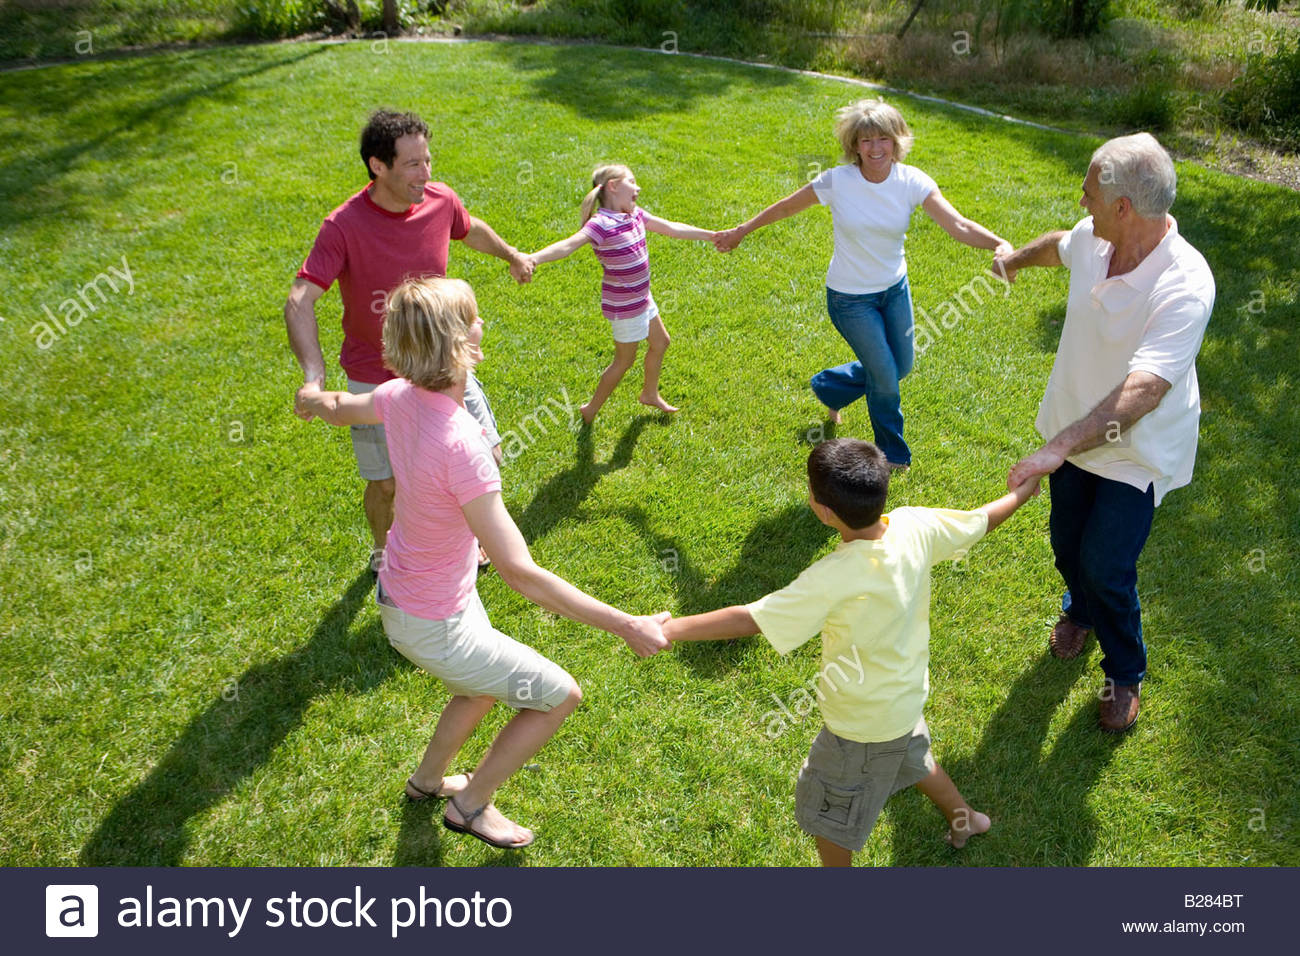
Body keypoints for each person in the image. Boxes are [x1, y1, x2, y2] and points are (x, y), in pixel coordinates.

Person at [296, 276, 669, 849]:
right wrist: (627, 625)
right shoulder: (463, 445)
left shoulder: (398, 395)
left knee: (479, 687)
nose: (482, 325)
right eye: (473, 319)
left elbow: (346, 407)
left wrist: (315, 400)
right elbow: (519, 572)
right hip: (434, 620)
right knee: (559, 696)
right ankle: (471, 806)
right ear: (456, 346)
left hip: (410, 594)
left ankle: (426, 783)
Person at [664, 438, 1041, 866]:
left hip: (860, 727)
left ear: (823, 510)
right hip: (903, 700)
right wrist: (1021, 492)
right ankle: (965, 819)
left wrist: (669, 629)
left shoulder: (832, 577)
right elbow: (980, 521)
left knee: (828, 815)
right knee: (912, 758)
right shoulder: (914, 525)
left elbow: (751, 618)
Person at [996, 132, 1215, 733]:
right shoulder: (1097, 236)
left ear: (1125, 206)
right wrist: (1013, 260)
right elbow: (1059, 248)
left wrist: (1058, 446)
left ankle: (1124, 672)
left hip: (1135, 447)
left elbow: (1144, 391)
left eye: (1090, 192)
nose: (1082, 201)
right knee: (1068, 543)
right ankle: (1080, 610)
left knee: (1106, 561)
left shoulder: (1186, 283)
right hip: (1071, 422)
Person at [286, 108, 535, 574]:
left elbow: (468, 226)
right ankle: (387, 555)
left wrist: (511, 255)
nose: (427, 174)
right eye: (413, 165)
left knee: (487, 456)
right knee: (387, 486)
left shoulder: (439, 200)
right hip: (374, 372)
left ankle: (466, 539)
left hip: (444, 364)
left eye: (428, 160)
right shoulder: (344, 226)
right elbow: (300, 299)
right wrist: (313, 380)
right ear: (378, 167)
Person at [714, 99, 1012, 471]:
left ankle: (829, 386)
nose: (875, 149)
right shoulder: (838, 181)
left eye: (883, 139)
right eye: (866, 140)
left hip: (893, 290)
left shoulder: (912, 182)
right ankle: (892, 455)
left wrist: (999, 244)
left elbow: (959, 225)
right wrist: (742, 231)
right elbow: (787, 207)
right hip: (850, 299)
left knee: (900, 366)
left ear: (897, 141)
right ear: (854, 145)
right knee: (885, 376)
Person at [527, 164, 717, 424]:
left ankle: (649, 393)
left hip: (643, 299)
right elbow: (569, 245)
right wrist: (533, 259)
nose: (638, 188)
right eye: (632, 181)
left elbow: (671, 228)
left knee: (661, 343)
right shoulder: (601, 224)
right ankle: (591, 409)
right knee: (624, 361)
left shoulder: (634, 214)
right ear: (614, 186)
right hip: (626, 307)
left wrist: (712, 236)